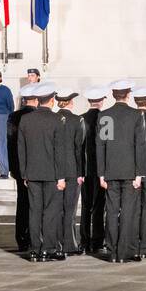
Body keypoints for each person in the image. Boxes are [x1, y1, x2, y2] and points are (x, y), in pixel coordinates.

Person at [95, 82, 146, 263]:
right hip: (130, 171)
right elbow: (140, 146)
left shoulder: (105, 115)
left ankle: (112, 251)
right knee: (129, 212)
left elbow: (101, 145)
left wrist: (101, 173)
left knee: (111, 212)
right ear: (127, 95)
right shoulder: (136, 115)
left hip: (111, 170)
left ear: (113, 95)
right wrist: (139, 173)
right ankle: (125, 251)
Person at [17, 83, 65, 261]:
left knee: (34, 211)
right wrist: (61, 176)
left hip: (32, 172)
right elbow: (59, 151)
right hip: (52, 173)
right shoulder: (57, 120)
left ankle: (35, 249)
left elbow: (21, 149)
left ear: (37, 100)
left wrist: (24, 173)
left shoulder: (26, 120)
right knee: (51, 212)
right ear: (51, 100)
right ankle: (48, 249)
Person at [54, 87, 87, 254]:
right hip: (72, 170)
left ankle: (56, 243)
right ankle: (70, 245)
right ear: (71, 102)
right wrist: (81, 172)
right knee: (70, 209)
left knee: (56, 209)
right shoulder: (77, 120)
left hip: (54, 171)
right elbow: (79, 148)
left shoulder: (52, 118)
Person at [7, 87, 35, 252]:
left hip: (18, 166)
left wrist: (12, 167)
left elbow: (10, 143)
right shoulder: (37, 116)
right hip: (35, 166)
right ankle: (33, 236)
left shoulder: (14, 116)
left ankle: (21, 238)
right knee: (36, 204)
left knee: (22, 203)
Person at [80, 86, 107, 254]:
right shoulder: (106, 119)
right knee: (99, 205)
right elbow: (106, 145)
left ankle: (84, 240)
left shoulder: (80, 119)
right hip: (100, 168)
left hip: (84, 167)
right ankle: (97, 240)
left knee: (85, 205)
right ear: (102, 100)